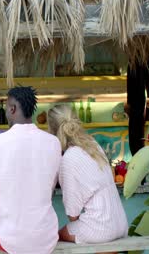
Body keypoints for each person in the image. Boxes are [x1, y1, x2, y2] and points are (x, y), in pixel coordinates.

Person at [0, 86, 61, 254]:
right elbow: (50, 190)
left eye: (7, 108)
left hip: (11, 239)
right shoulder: (53, 143)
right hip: (46, 237)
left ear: (12, 108)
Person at [47, 105, 128, 244]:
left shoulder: (69, 158)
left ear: (52, 130)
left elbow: (72, 213)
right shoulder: (93, 144)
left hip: (101, 227)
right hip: (120, 222)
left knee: (55, 239)